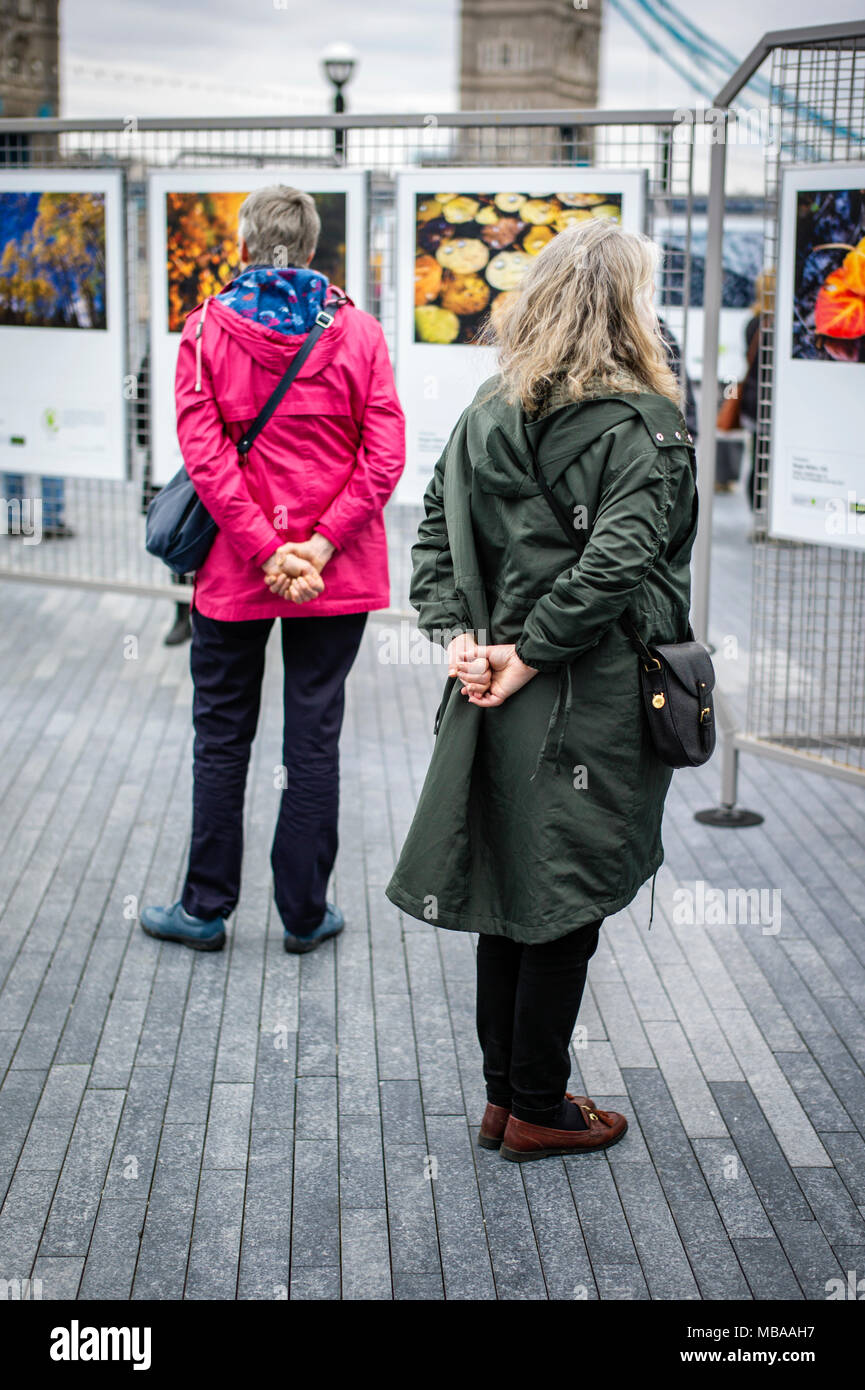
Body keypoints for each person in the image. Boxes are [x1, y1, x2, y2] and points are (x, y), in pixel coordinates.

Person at [386, 221, 697, 1161]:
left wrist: (464, 641)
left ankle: (504, 1097)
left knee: (511, 884)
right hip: (585, 694)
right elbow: (616, 565)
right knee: (563, 894)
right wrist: (517, 653)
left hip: (495, 695)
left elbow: (434, 527)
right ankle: (536, 1106)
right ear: (625, 307)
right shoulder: (643, 423)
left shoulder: (489, 405)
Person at [142, 185, 405, 954]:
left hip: (235, 572)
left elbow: (206, 456)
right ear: (315, 245)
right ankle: (303, 913)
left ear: (246, 244)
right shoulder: (358, 333)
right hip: (336, 574)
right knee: (313, 742)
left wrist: (265, 549)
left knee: (222, 737)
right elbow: (383, 455)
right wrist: (319, 548)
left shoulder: (204, 332)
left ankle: (203, 909)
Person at [740, 269, 774, 511]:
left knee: (758, 457)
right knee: (766, 460)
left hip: (753, 399)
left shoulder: (753, 323)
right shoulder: (773, 327)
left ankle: (758, 513)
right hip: (766, 401)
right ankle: (764, 513)